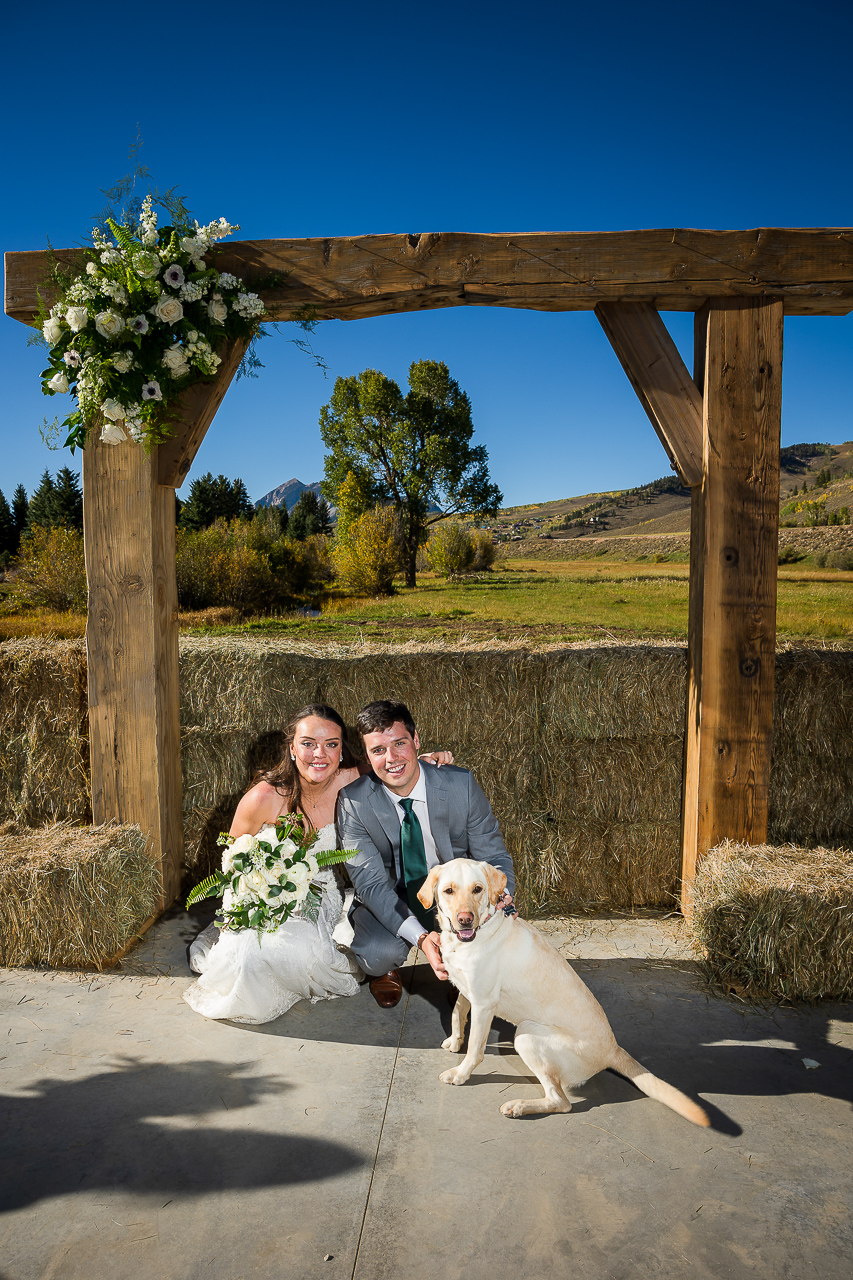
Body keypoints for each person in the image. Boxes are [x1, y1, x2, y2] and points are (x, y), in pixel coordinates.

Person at [183, 703, 453, 1024]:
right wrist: (242, 904)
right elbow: (233, 861)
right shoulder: (263, 798)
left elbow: (395, 769)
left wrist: (425, 761)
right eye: (308, 743)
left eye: (331, 744)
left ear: (342, 750)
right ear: (293, 748)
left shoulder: (353, 780)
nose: (319, 754)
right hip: (261, 895)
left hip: (319, 893)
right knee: (248, 953)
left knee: (295, 949)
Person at [337, 700, 515, 1008]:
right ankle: (389, 967)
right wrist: (422, 938)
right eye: (378, 750)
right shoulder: (353, 803)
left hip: (455, 894)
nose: (391, 759)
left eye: (399, 744)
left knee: (502, 950)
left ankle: (463, 972)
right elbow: (370, 884)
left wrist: (501, 895)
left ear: (416, 741)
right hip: (394, 894)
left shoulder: (461, 785)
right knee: (378, 956)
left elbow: (493, 853)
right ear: (366, 755)